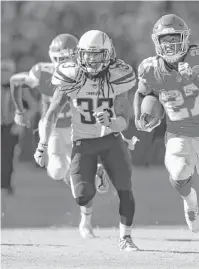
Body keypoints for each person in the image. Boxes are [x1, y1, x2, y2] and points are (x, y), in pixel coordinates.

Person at [134, 14, 199, 264]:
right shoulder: (150, 68)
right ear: (156, 42)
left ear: (184, 38)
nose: (169, 45)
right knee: (178, 174)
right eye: (164, 40)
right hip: (178, 135)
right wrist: (141, 116)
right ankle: (190, 201)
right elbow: (143, 93)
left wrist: (195, 78)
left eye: (174, 39)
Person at [34, 30, 139, 251]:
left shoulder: (118, 76)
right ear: (79, 55)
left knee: (125, 188)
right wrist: (42, 144)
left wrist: (111, 121)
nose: (91, 60)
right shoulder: (71, 75)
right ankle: (96, 172)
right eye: (87, 54)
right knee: (82, 195)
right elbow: (51, 113)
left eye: (97, 54)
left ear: (108, 54)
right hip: (83, 142)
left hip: (111, 140)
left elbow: (125, 120)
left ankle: (125, 237)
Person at [9, 33, 110, 193]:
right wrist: (19, 111)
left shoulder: (86, 74)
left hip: (75, 127)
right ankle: (88, 172)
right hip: (52, 127)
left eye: (66, 58)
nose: (62, 63)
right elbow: (15, 81)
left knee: (72, 168)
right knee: (57, 170)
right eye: (59, 59)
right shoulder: (42, 71)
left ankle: (89, 173)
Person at [1, 59, 38, 215]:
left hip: (10, 126)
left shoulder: (19, 88)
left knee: (7, 156)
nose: (4, 74)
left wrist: (21, 122)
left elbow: (34, 106)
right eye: (2, 71)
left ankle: (5, 185)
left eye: (7, 71)